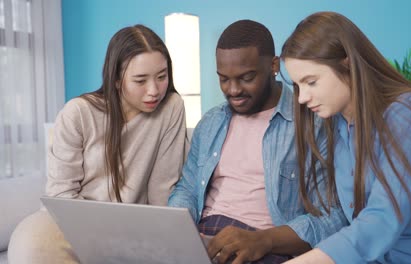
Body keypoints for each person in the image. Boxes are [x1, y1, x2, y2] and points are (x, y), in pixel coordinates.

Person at [281, 11, 411, 264]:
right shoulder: (337, 124)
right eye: (297, 86)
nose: (302, 97)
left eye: (311, 82)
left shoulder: (408, 112)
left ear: (347, 64)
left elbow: (381, 219)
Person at [168, 19, 347, 264]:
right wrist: (176, 230)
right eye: (223, 79)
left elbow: (332, 217)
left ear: (273, 65)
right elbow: (187, 188)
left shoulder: (313, 122)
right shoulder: (210, 123)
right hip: (205, 240)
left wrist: (263, 240)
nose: (233, 90)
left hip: (264, 246)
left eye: (246, 77)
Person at [8, 24, 188, 263]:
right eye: (140, 80)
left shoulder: (171, 107)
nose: (154, 90)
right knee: (29, 242)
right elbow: (62, 194)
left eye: (162, 77)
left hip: (134, 227)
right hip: (71, 224)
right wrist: (99, 235)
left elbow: (162, 189)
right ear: (115, 79)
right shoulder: (78, 113)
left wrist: (162, 237)